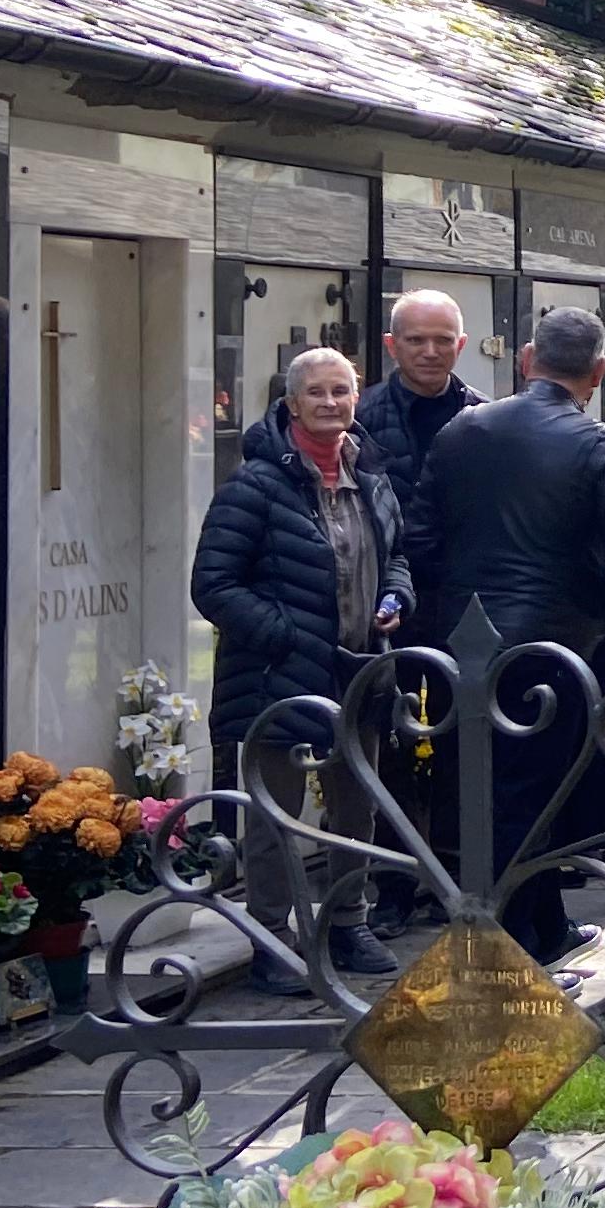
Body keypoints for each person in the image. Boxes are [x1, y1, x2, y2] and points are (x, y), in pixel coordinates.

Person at [408, 306, 605, 961]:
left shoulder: (463, 429)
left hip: (466, 641)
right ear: (599, 371)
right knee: (540, 793)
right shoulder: (598, 443)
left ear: (526, 360)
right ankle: (517, 941)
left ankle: (543, 925)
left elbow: (421, 537)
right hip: (555, 644)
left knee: (484, 791)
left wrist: (451, 603)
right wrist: (599, 610)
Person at [191, 348, 413, 988]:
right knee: (275, 816)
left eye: (341, 391)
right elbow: (214, 584)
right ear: (291, 403)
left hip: (359, 670)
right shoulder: (254, 486)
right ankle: (272, 937)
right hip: (279, 679)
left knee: (356, 808)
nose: (330, 403)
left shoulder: (371, 474)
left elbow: (396, 554)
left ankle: (348, 921)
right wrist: (284, 637)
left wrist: (396, 596)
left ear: (356, 398)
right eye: (315, 392)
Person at [360, 289, 486, 619]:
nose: (430, 352)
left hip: (467, 593)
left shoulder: (488, 419)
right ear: (392, 345)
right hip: (384, 593)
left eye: (443, 340)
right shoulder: (359, 420)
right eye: (416, 340)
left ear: (461, 344)